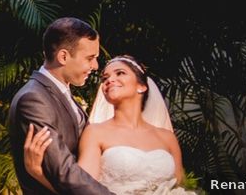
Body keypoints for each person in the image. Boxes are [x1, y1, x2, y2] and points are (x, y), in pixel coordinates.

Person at [24, 55, 196, 194]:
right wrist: (38, 173)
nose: (109, 80)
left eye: (120, 73)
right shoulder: (95, 132)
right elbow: (80, 189)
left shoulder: (167, 137)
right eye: (105, 77)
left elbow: (180, 186)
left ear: (142, 86)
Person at [8, 17, 112, 194]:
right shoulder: (34, 99)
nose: (95, 66)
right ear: (63, 56)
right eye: (90, 58)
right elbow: (62, 171)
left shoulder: (58, 93)